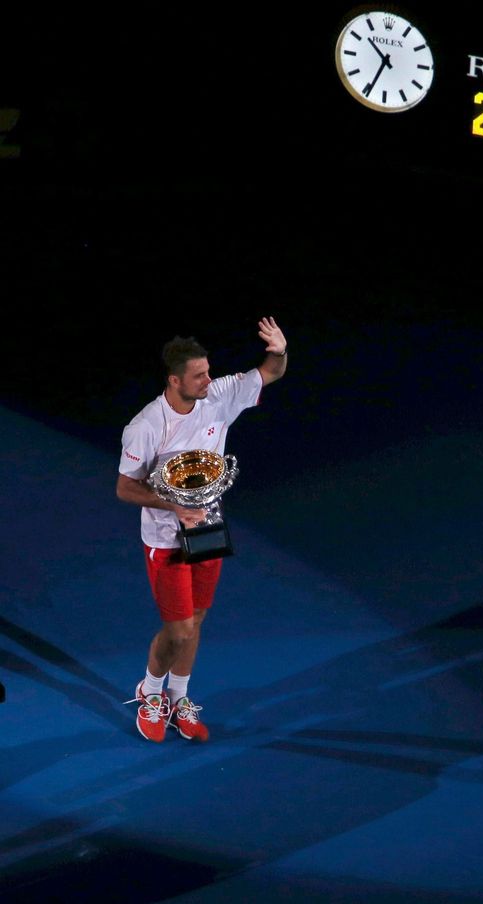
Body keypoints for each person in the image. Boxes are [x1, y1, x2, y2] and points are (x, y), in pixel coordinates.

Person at [116, 316, 287, 743]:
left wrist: (279, 351)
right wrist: (172, 505)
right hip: (164, 538)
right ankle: (150, 692)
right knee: (179, 629)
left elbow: (269, 373)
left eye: (209, 371)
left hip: (208, 529)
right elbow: (125, 488)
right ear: (175, 381)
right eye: (199, 375)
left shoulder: (219, 396)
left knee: (197, 618)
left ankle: (179, 698)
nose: (209, 379)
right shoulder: (146, 425)